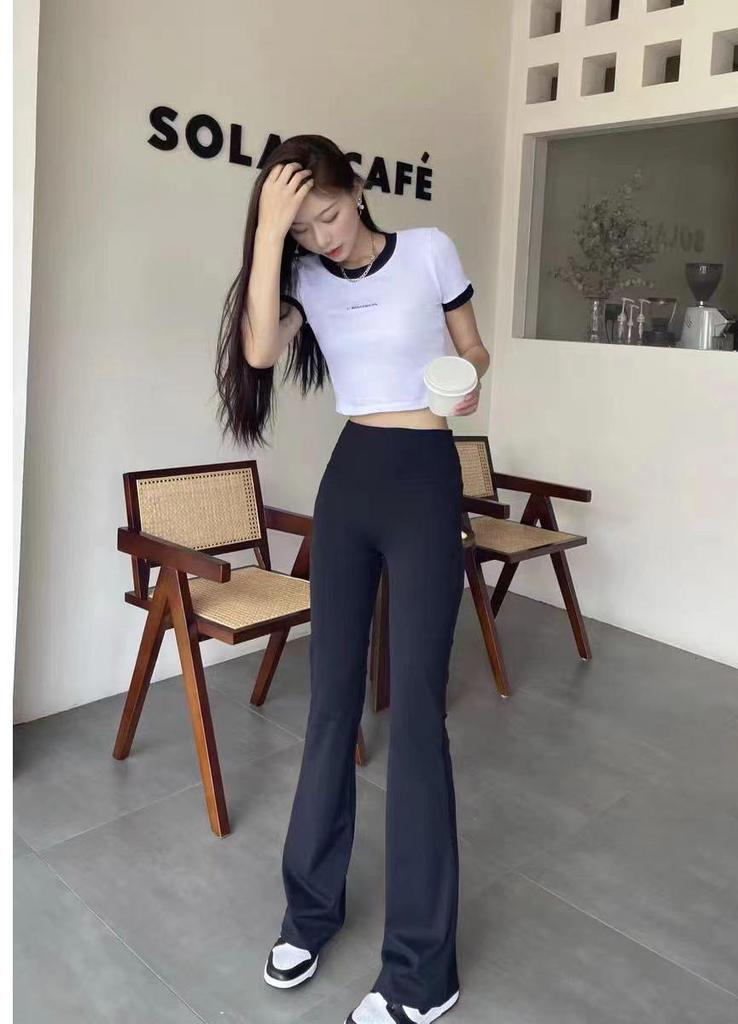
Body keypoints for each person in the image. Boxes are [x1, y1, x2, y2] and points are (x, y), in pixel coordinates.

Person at [215, 134, 490, 1024]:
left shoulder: (430, 250)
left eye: (326, 216)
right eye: (302, 230)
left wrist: (465, 383)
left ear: (358, 190)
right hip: (352, 479)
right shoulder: (299, 276)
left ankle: (421, 971)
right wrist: (270, 233)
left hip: (424, 475)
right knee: (330, 703)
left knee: (415, 715)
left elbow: (473, 348)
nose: (322, 238)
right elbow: (260, 352)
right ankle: (309, 912)